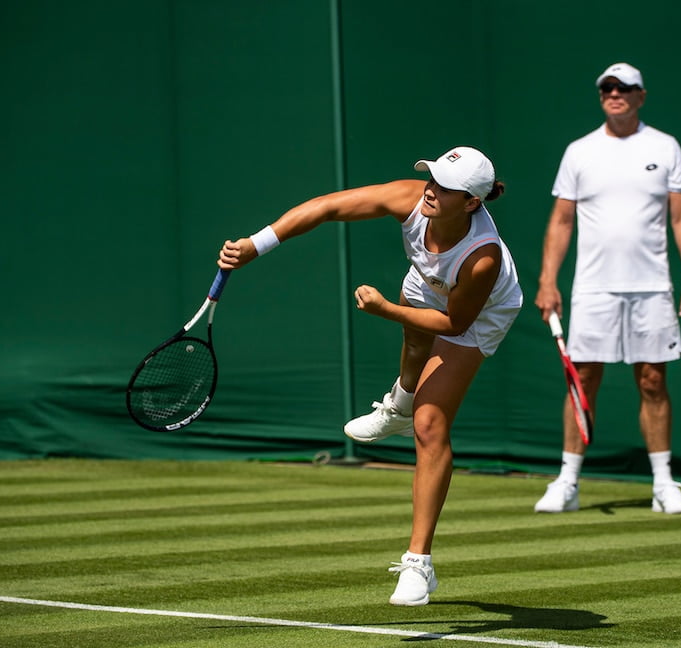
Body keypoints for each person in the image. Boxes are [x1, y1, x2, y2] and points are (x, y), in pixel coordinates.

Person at [217, 146, 523, 605]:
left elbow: (455, 325)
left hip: (477, 314)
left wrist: (384, 310)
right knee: (414, 338)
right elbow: (328, 207)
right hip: (429, 280)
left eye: (446, 187)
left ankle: (419, 564)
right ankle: (398, 403)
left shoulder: (483, 259)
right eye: (432, 178)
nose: (432, 190)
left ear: (472, 203)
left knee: (430, 424)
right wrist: (256, 245)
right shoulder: (413, 201)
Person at [534, 62, 681, 515]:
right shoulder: (579, 151)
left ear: (640, 96)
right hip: (593, 289)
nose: (615, 94)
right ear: (601, 96)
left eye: (624, 88)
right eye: (607, 88)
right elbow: (562, 220)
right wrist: (547, 280)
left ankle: (664, 484)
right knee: (582, 380)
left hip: (652, 288)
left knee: (653, 379)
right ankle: (568, 482)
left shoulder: (665, 147)